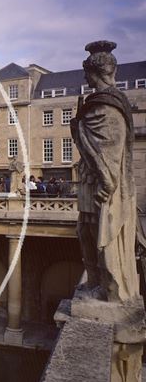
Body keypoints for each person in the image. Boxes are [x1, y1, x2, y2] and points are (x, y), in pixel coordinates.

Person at [70, 40, 138, 301]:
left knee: (101, 233)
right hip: (89, 180)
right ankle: (96, 281)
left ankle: (108, 287)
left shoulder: (107, 104)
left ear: (96, 72)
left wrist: (107, 183)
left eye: (87, 73)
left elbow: (109, 148)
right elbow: (89, 141)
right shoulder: (96, 103)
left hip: (101, 184)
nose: (85, 78)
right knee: (86, 231)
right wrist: (78, 128)